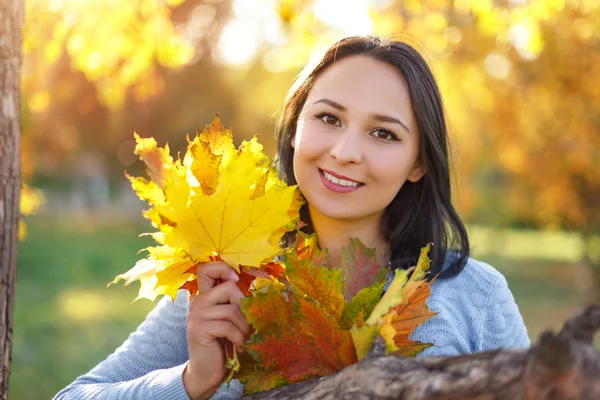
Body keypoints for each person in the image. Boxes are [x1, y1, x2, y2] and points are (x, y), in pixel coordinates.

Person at [54, 36, 529, 400]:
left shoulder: (474, 297)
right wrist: (192, 380)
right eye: (328, 119)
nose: (344, 152)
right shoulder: (227, 282)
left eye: (383, 134)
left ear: (419, 163)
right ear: (296, 127)